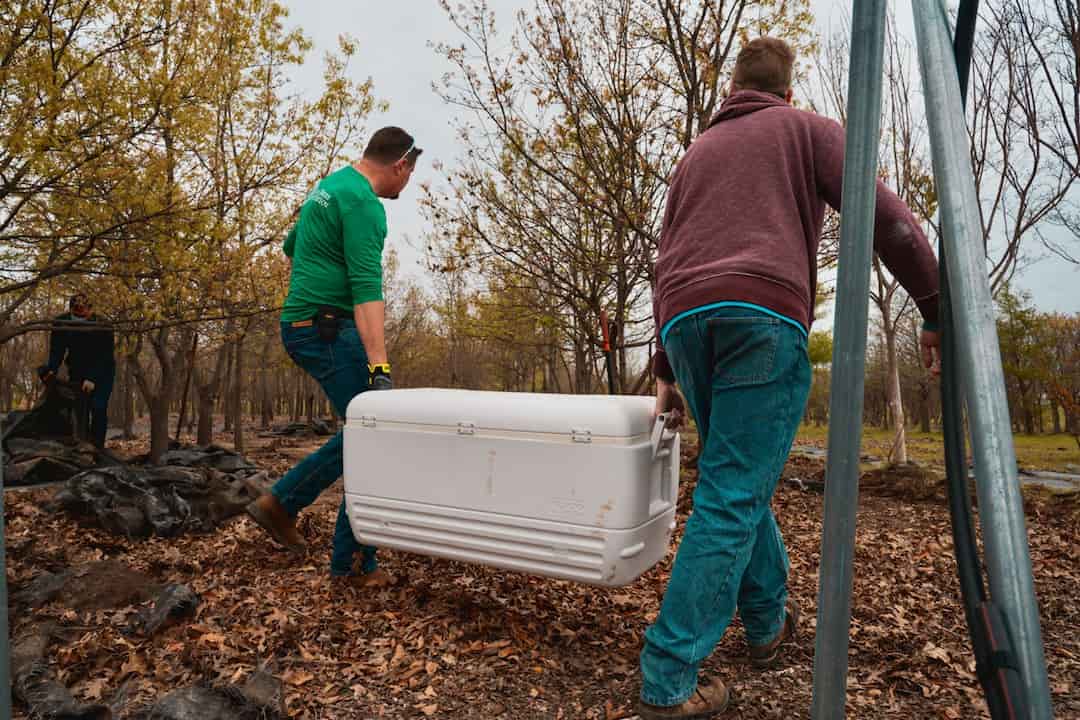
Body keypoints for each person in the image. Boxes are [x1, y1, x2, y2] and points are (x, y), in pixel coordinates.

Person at [638, 38, 942, 719]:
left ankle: (767, 625)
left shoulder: (694, 155)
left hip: (687, 322)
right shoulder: (805, 130)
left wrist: (666, 371)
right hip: (760, 317)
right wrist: (934, 305)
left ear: (732, 88)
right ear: (788, 89)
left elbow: (666, 261)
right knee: (732, 495)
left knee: (736, 482)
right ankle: (668, 675)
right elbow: (885, 217)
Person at [246, 127, 421, 589]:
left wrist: (319, 273)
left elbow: (291, 246)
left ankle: (286, 504)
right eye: (408, 176)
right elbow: (367, 289)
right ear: (400, 164)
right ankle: (348, 562)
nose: (404, 187)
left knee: (365, 434)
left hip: (302, 324)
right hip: (327, 328)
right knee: (375, 434)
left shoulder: (328, 186)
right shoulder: (364, 203)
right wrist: (380, 368)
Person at [41, 293, 116, 449]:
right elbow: (57, 350)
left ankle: (98, 448)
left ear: (90, 310)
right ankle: (82, 445)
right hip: (77, 368)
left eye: (83, 311)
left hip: (103, 371)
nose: (80, 314)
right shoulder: (61, 322)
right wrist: (52, 369)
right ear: (70, 309)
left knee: (98, 407)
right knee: (81, 408)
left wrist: (92, 378)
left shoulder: (103, 324)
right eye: (76, 311)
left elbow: (105, 355)